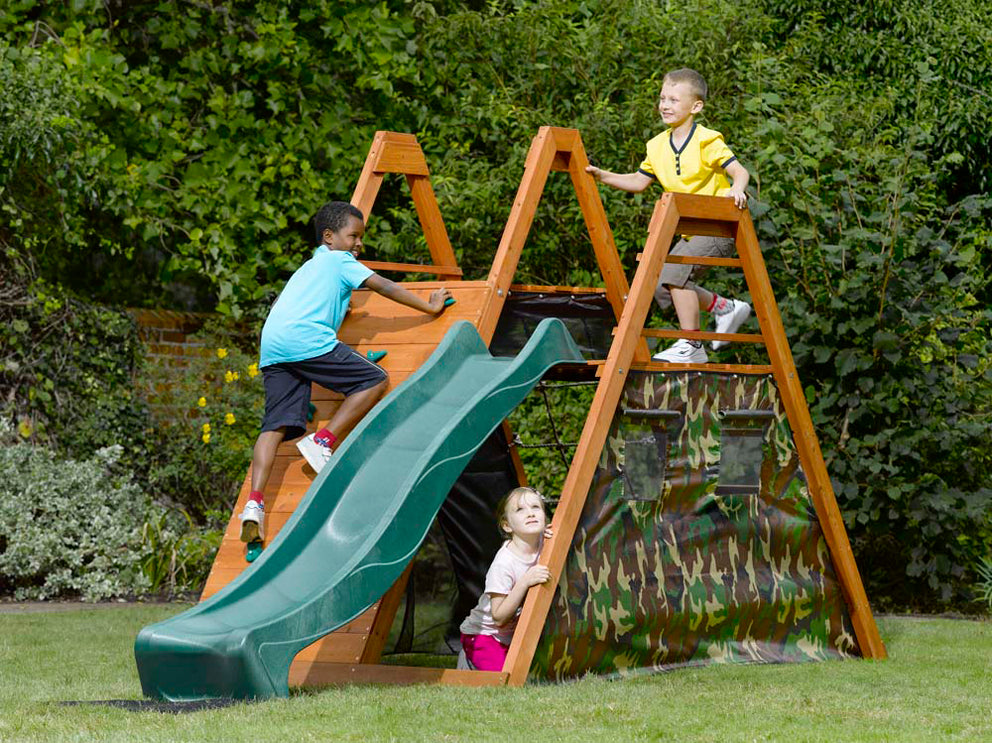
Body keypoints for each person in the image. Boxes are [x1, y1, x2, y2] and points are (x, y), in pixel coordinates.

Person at [239, 201, 451, 550]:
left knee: (273, 425)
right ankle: (322, 442)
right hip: (305, 340)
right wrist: (429, 305)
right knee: (374, 380)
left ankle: (255, 503)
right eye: (353, 236)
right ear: (329, 237)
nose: (359, 244)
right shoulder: (341, 261)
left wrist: (339, 308)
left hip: (273, 345)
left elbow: (284, 308)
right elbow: (383, 286)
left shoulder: (307, 268)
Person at [586, 67, 752, 364]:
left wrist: (736, 190)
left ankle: (693, 344)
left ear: (695, 106)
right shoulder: (657, 146)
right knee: (663, 285)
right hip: (690, 230)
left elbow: (739, 171)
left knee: (675, 278)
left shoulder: (707, 140)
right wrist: (602, 176)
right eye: (663, 98)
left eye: (674, 100)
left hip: (719, 225)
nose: (665, 105)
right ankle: (724, 307)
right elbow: (638, 181)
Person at [457, 487, 553, 672]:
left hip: (515, 635)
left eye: (535, 507)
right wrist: (525, 581)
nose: (530, 513)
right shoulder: (504, 563)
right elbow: (499, 617)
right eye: (520, 510)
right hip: (483, 634)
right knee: (504, 677)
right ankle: (468, 660)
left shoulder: (547, 544)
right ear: (507, 525)